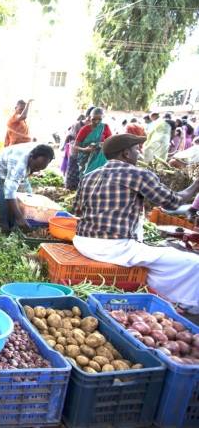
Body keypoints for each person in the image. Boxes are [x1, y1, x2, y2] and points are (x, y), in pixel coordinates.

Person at [73, 133, 199, 312]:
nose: (139, 153)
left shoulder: (89, 176)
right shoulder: (137, 174)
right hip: (114, 247)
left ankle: (165, 297)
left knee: (157, 259)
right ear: (125, 153)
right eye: (136, 149)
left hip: (82, 242)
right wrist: (196, 184)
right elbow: (173, 202)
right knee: (193, 263)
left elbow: (77, 210)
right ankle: (189, 306)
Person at [0, 143, 55, 232]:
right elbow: (9, 192)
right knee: (4, 195)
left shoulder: (40, 152)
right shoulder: (19, 166)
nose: (36, 170)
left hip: (13, 164)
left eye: (40, 169)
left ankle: (16, 221)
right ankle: (4, 226)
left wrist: (32, 169)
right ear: (31, 157)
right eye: (35, 167)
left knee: (28, 195)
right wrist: (20, 218)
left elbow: (30, 170)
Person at [73, 107, 112, 177]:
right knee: (86, 177)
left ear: (103, 117)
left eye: (99, 119)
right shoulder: (84, 129)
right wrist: (85, 149)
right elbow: (75, 146)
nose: (96, 122)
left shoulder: (105, 127)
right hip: (86, 159)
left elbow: (111, 142)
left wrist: (103, 144)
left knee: (99, 178)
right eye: (94, 119)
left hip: (101, 159)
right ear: (89, 118)